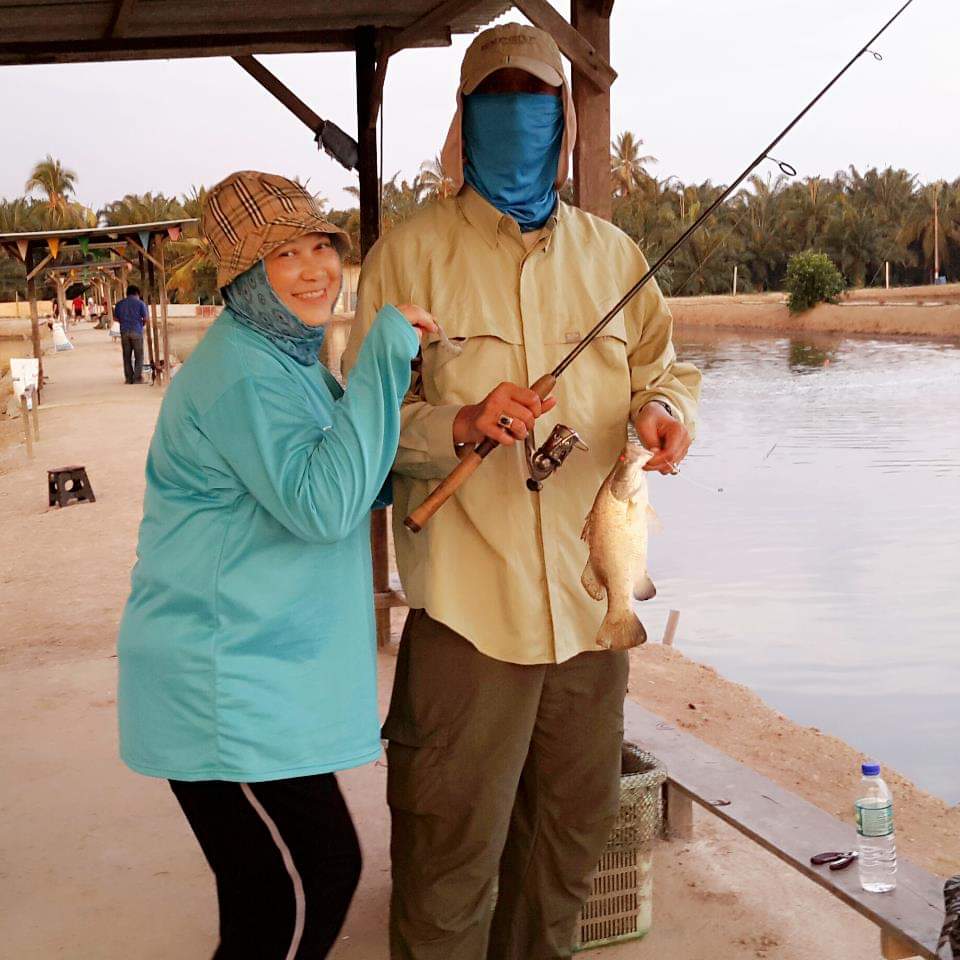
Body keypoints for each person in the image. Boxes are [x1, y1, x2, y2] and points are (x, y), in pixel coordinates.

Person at [344, 23, 702, 960]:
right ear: (464, 120)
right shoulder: (406, 256)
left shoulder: (615, 258)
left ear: (565, 122)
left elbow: (665, 367)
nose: (519, 118)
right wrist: (456, 426)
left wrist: (663, 409)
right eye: (495, 99)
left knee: (568, 842)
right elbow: (357, 429)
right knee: (449, 852)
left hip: (593, 621)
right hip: (469, 614)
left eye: (536, 101)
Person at [117, 170, 435, 959]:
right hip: (218, 672)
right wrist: (386, 356)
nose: (315, 268)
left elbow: (353, 478)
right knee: (284, 885)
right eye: (283, 255)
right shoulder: (240, 372)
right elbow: (324, 505)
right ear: (245, 277)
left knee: (305, 875)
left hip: (251, 666)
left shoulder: (284, 356)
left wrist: (457, 430)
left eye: (320, 245)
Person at [114, 284, 149, 383]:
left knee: (127, 356)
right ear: (137, 293)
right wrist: (141, 324)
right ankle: (137, 378)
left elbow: (115, 318)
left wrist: (124, 322)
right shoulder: (140, 303)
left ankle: (129, 379)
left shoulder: (120, 304)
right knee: (139, 355)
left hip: (124, 331)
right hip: (137, 330)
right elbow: (145, 318)